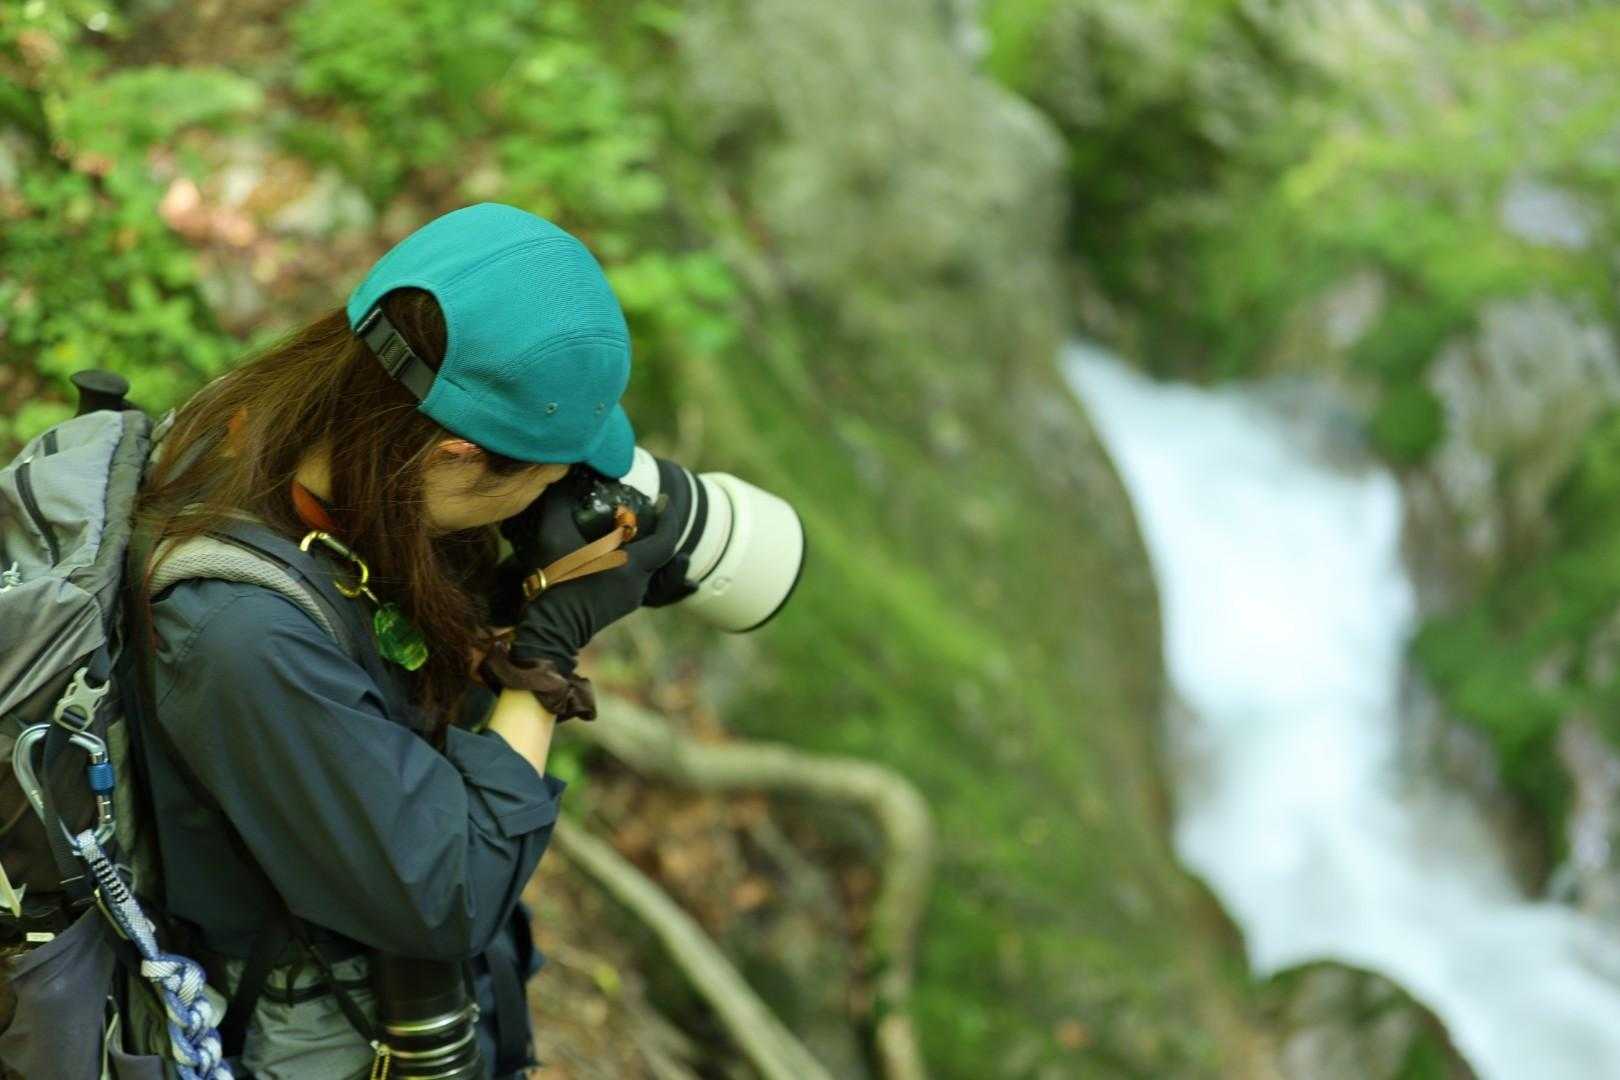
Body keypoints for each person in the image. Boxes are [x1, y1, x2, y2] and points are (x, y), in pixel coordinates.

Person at [125, 203, 684, 1078]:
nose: (557, 492)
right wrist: (543, 657)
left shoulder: (272, 440)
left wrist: (502, 585)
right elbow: (451, 891)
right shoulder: (240, 633)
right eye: (546, 475)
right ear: (453, 457)